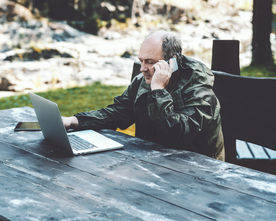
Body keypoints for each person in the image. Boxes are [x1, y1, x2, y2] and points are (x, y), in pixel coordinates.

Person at [63, 30, 224, 161]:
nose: (142, 68)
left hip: (198, 171)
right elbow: (117, 113)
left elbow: (175, 136)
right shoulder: (142, 82)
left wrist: (158, 90)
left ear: (172, 62)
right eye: (141, 61)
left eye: (150, 62)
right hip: (153, 161)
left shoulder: (199, 90)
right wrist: (74, 121)